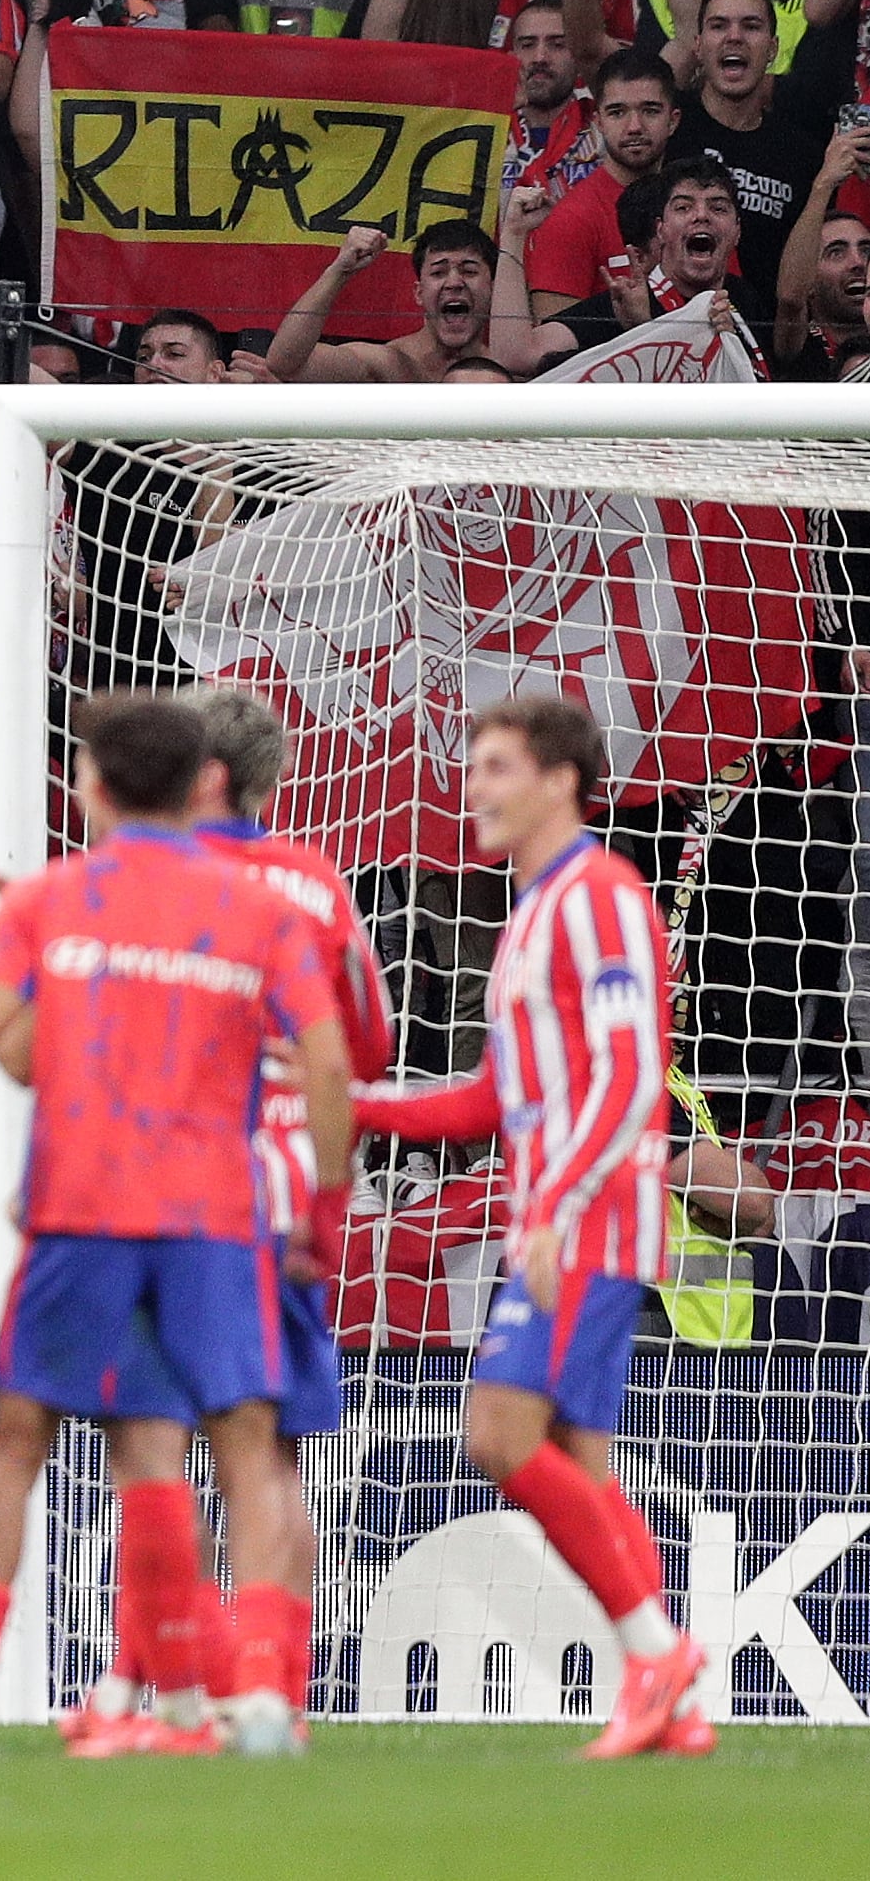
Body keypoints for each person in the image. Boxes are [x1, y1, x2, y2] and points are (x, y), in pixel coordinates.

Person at [0, 689, 355, 1759]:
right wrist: (320, 1204)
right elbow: (329, 1063)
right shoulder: (262, 907)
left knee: (21, 1444)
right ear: (201, 788)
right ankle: (267, 1699)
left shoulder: (56, 901)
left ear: (90, 785)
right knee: (246, 1448)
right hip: (213, 1218)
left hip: (80, 1214)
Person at [343, 690, 714, 1757]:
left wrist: (551, 1207)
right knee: (584, 1467)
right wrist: (348, 1098)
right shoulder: (532, 914)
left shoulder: (598, 896)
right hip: (567, 1221)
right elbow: (490, 1099)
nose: (477, 787)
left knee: (499, 1436)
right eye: (475, 766)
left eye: (499, 766)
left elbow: (631, 1070)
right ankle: (666, 1693)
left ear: (562, 780)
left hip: (583, 1225)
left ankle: (657, 1653)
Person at [172, 682, 394, 1755]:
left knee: (160, 1447)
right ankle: (272, 1690)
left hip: (165, 1195)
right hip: (285, 1195)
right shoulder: (310, 882)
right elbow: (372, 1040)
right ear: (271, 776)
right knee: (271, 1459)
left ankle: (180, 1694)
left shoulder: (154, 877)